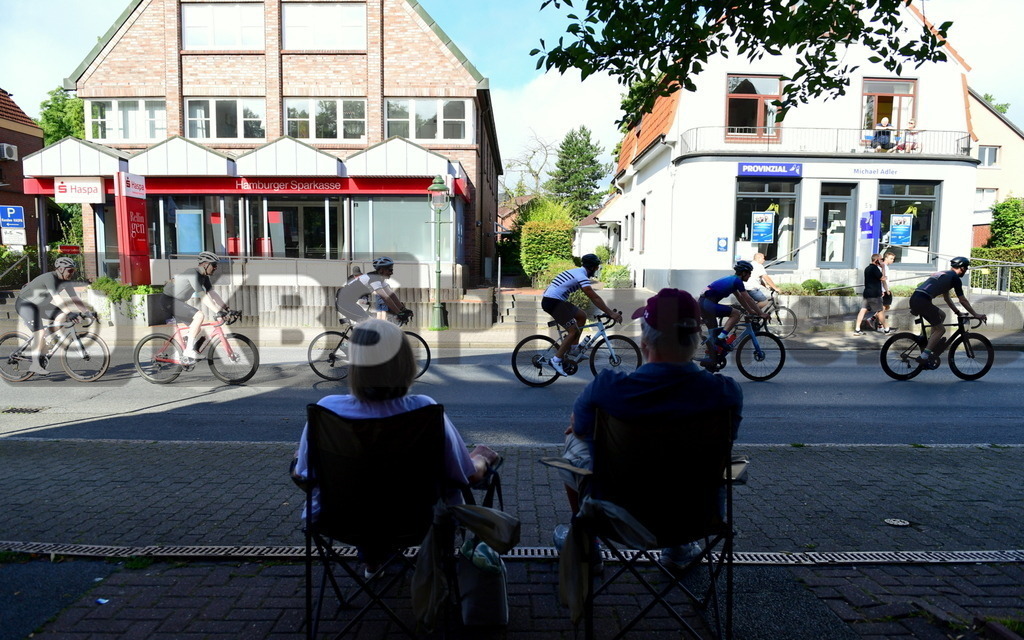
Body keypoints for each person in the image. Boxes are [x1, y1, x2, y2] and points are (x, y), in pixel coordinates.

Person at [291, 318, 499, 573]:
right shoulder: (425, 410)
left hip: (340, 522)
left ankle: (371, 559)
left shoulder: (326, 410)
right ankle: (434, 574)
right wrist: (482, 457)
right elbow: (465, 475)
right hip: (418, 522)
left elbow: (302, 474)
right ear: (404, 363)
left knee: (366, 483)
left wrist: (301, 458)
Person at [557, 288, 743, 569]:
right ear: (695, 340)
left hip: (619, 517)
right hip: (697, 518)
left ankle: (586, 543)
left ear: (646, 340)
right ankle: (679, 548)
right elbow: (725, 446)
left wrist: (579, 427)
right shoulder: (727, 394)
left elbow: (581, 429)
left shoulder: (609, 387)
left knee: (575, 444)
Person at [540, 254, 623, 376]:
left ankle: (573, 348)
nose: (597, 269)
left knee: (581, 316)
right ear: (591, 267)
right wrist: (610, 313)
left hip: (556, 300)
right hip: (553, 302)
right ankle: (556, 360)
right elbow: (593, 296)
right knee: (573, 330)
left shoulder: (579, 272)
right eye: (596, 267)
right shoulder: (581, 275)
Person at [14, 256, 91, 375]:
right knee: (40, 333)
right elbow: (56, 298)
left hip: (41, 305)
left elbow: (75, 298)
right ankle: (35, 364)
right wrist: (70, 312)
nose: (71, 273)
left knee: (62, 316)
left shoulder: (66, 282)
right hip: (26, 305)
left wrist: (87, 312)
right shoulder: (50, 278)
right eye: (70, 270)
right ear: (60, 269)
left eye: (73, 271)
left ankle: (46, 341)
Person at [909, 257, 987, 364]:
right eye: (966, 268)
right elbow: (962, 300)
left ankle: (931, 343)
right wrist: (976, 314)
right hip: (923, 301)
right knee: (941, 330)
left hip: (916, 298)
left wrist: (958, 312)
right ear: (962, 268)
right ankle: (925, 356)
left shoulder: (945, 274)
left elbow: (947, 299)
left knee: (942, 315)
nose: (966, 270)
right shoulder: (955, 278)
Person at [160, 251, 230, 362]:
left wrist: (226, 308)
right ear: (205, 264)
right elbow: (202, 296)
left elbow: (212, 293)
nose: (216, 267)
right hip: (168, 301)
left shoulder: (204, 277)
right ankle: (188, 351)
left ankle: (181, 353)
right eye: (214, 265)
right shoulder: (192, 273)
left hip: (176, 302)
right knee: (199, 316)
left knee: (197, 328)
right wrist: (217, 311)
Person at [698, 261, 769, 347]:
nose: (750, 276)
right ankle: (721, 338)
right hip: (708, 304)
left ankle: (711, 357)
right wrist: (760, 313)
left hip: (703, 303)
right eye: (749, 273)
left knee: (714, 337)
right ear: (743, 273)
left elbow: (740, 297)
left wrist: (750, 310)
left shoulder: (732, 279)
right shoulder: (737, 281)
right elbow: (748, 298)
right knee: (736, 313)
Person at [335, 257, 411, 326]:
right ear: (381, 270)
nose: (391, 273)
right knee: (370, 324)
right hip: (343, 303)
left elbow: (391, 295)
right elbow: (386, 298)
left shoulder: (379, 278)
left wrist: (403, 310)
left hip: (350, 302)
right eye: (390, 270)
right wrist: (399, 313)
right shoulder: (373, 279)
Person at [853, 254, 891, 336]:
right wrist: (883, 267)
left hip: (867, 293)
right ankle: (887, 329)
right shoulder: (874, 268)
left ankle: (857, 329)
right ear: (876, 260)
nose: (882, 261)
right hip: (874, 294)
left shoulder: (867, 268)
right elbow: (883, 278)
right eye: (881, 259)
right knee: (880, 311)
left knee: (863, 309)